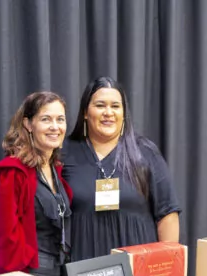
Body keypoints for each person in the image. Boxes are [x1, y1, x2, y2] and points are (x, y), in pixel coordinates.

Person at [62, 76, 181, 263]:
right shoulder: (65, 152)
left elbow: (167, 214)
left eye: (115, 106)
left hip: (138, 273)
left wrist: (165, 266)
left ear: (124, 113)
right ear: (85, 112)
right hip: (84, 272)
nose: (108, 112)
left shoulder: (145, 152)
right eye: (100, 105)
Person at [0, 92, 73, 276]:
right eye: (46, 119)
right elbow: (2, 242)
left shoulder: (56, 171)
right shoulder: (12, 173)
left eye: (60, 119)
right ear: (28, 124)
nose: (55, 127)